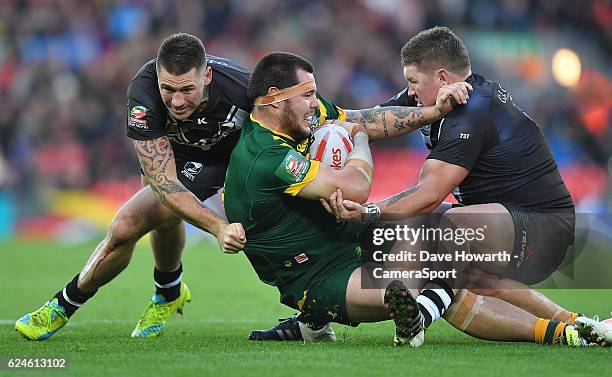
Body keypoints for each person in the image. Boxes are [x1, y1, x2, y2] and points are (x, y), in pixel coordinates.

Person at [15, 33, 468, 341]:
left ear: (207, 76)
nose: (176, 100)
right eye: (168, 89)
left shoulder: (243, 88)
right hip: (181, 165)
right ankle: (72, 303)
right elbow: (165, 181)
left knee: (296, 220)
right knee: (133, 220)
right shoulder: (143, 94)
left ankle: (315, 307)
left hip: (240, 164)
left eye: (186, 90)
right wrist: (215, 226)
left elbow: (356, 118)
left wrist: (433, 112)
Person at [224, 51, 608, 348]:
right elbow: (356, 184)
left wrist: (432, 110)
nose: (316, 103)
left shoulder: (300, 115)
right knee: (442, 274)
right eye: (307, 95)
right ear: (275, 100)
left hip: (345, 239)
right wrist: (357, 138)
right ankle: (327, 317)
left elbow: (368, 117)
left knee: (451, 249)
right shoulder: (266, 156)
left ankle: (573, 325)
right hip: (318, 274)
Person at [325, 26, 609, 345]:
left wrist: (368, 213)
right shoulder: (435, 98)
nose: (410, 92)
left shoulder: (472, 112)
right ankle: (571, 329)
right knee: (463, 271)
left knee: (446, 225)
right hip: (493, 225)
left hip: (544, 228)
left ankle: (418, 312)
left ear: (443, 78)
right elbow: (374, 120)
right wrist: (318, 116)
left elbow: (428, 195)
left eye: (413, 82)